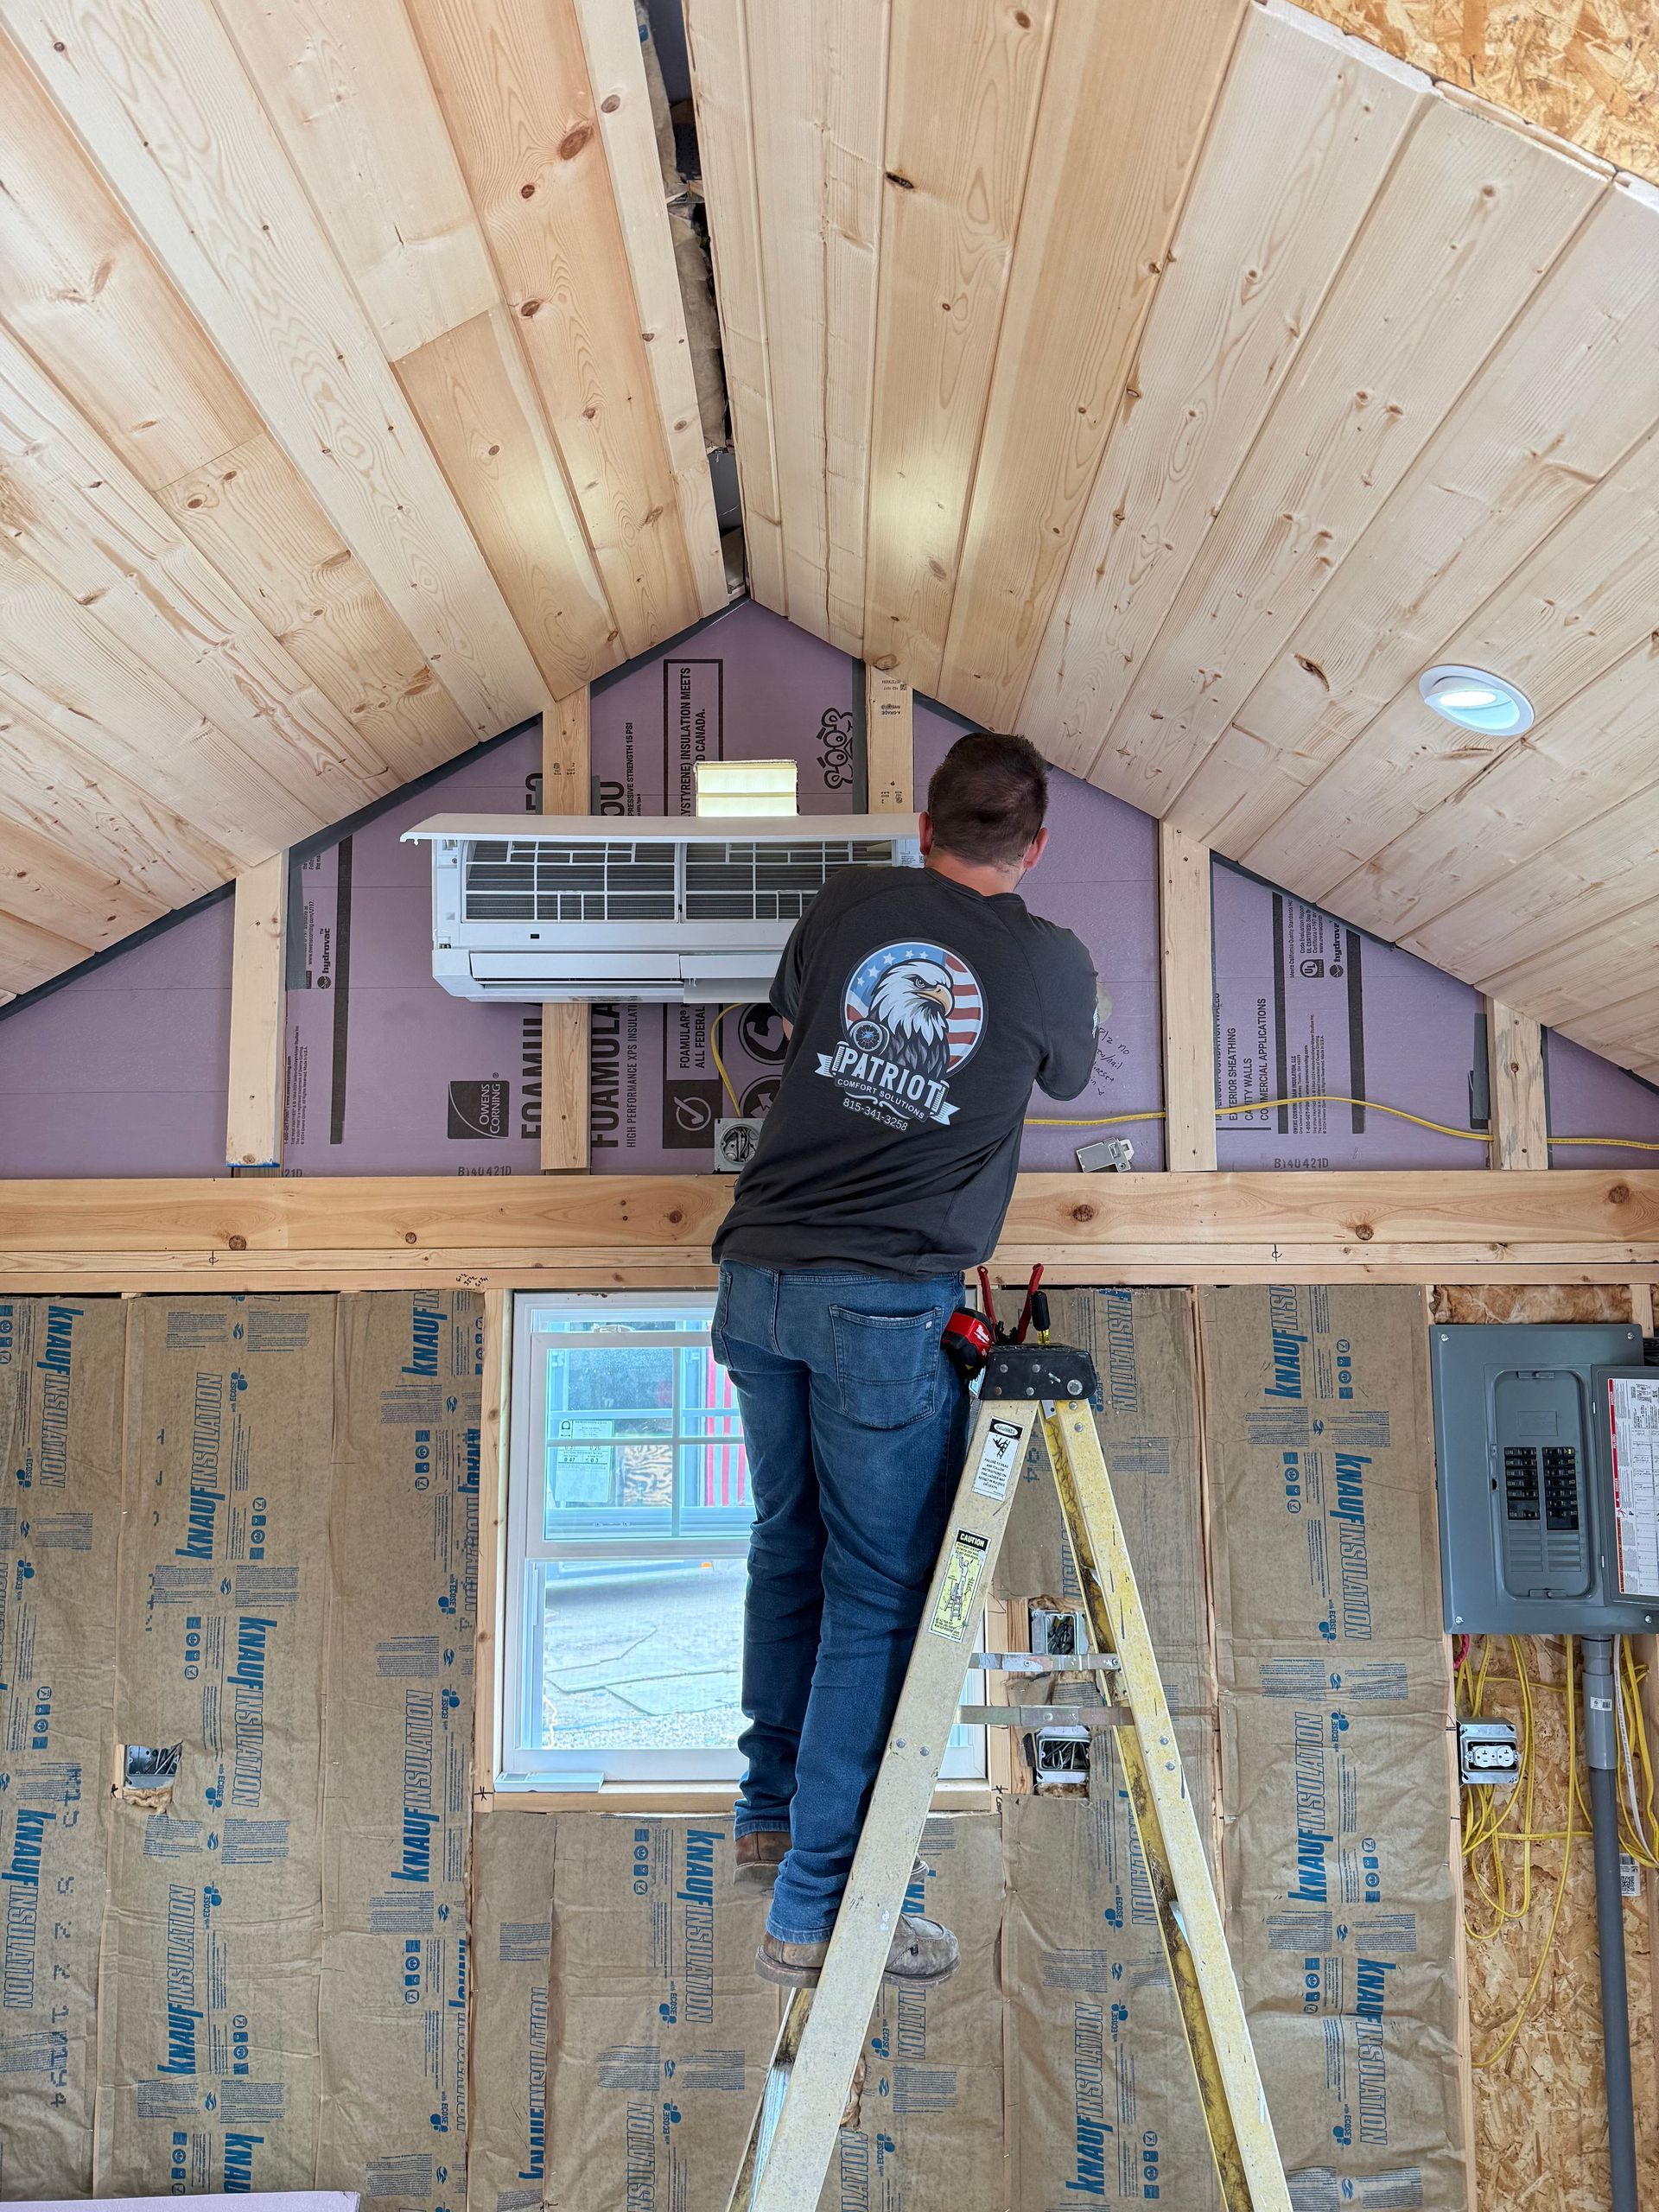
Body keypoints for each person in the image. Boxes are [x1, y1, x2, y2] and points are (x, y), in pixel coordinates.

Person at [710, 730, 1099, 1989]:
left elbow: (794, 1014)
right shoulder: (1048, 962)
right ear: (1034, 848)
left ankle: (773, 1817)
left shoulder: (846, 903)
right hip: (878, 1301)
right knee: (878, 1593)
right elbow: (1073, 1077)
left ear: (923, 822)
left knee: (789, 1544)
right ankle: (818, 1909)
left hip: (756, 1274)